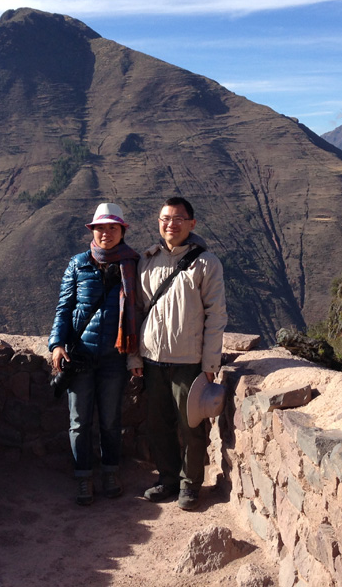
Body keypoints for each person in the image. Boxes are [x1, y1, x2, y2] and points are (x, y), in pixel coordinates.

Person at [131, 196, 227, 511]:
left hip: (189, 363)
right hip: (152, 360)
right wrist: (134, 357)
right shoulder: (148, 260)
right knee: (158, 425)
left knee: (192, 427)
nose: (170, 224)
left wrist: (211, 362)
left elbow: (216, 315)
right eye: (165, 218)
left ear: (191, 223)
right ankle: (167, 480)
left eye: (178, 219)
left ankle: (190, 485)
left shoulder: (206, 263)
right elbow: (137, 311)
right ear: (159, 221)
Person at [49, 202, 141, 506]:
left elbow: (142, 309)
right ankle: (83, 478)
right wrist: (56, 345)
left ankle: (110, 472)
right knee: (79, 421)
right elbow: (64, 309)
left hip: (114, 358)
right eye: (100, 228)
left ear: (122, 231)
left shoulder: (133, 265)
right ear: (93, 231)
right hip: (81, 357)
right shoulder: (78, 264)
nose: (106, 233)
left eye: (112, 227)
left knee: (111, 421)